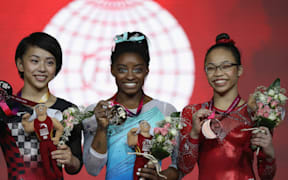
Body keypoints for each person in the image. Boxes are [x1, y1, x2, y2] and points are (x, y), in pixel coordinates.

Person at [0, 32, 82, 180]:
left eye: (50, 62)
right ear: (20, 64)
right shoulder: (4, 108)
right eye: (35, 61)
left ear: (57, 67)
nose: (42, 68)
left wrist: (71, 160)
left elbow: (75, 167)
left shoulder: (68, 111)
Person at [82, 31, 181, 180]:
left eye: (137, 69)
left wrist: (162, 177)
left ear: (147, 70)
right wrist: (102, 128)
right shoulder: (97, 112)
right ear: (112, 69)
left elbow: (179, 166)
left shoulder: (165, 111)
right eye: (122, 69)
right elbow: (93, 169)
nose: (129, 76)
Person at [178, 33, 276, 180]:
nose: (218, 73)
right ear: (205, 72)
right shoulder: (192, 112)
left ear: (240, 70)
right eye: (211, 68)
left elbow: (266, 176)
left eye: (226, 66)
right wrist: (194, 134)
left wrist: (269, 154)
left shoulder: (257, 113)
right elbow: (184, 167)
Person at [22, 104, 64, 179]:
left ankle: (57, 172)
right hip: (42, 143)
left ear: (46, 109)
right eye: (38, 107)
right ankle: (48, 174)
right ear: (36, 111)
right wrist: (25, 121)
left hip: (50, 141)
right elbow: (27, 129)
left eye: (42, 107)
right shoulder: (34, 122)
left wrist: (57, 138)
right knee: (45, 160)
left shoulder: (51, 119)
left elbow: (60, 128)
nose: (40, 108)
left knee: (54, 158)